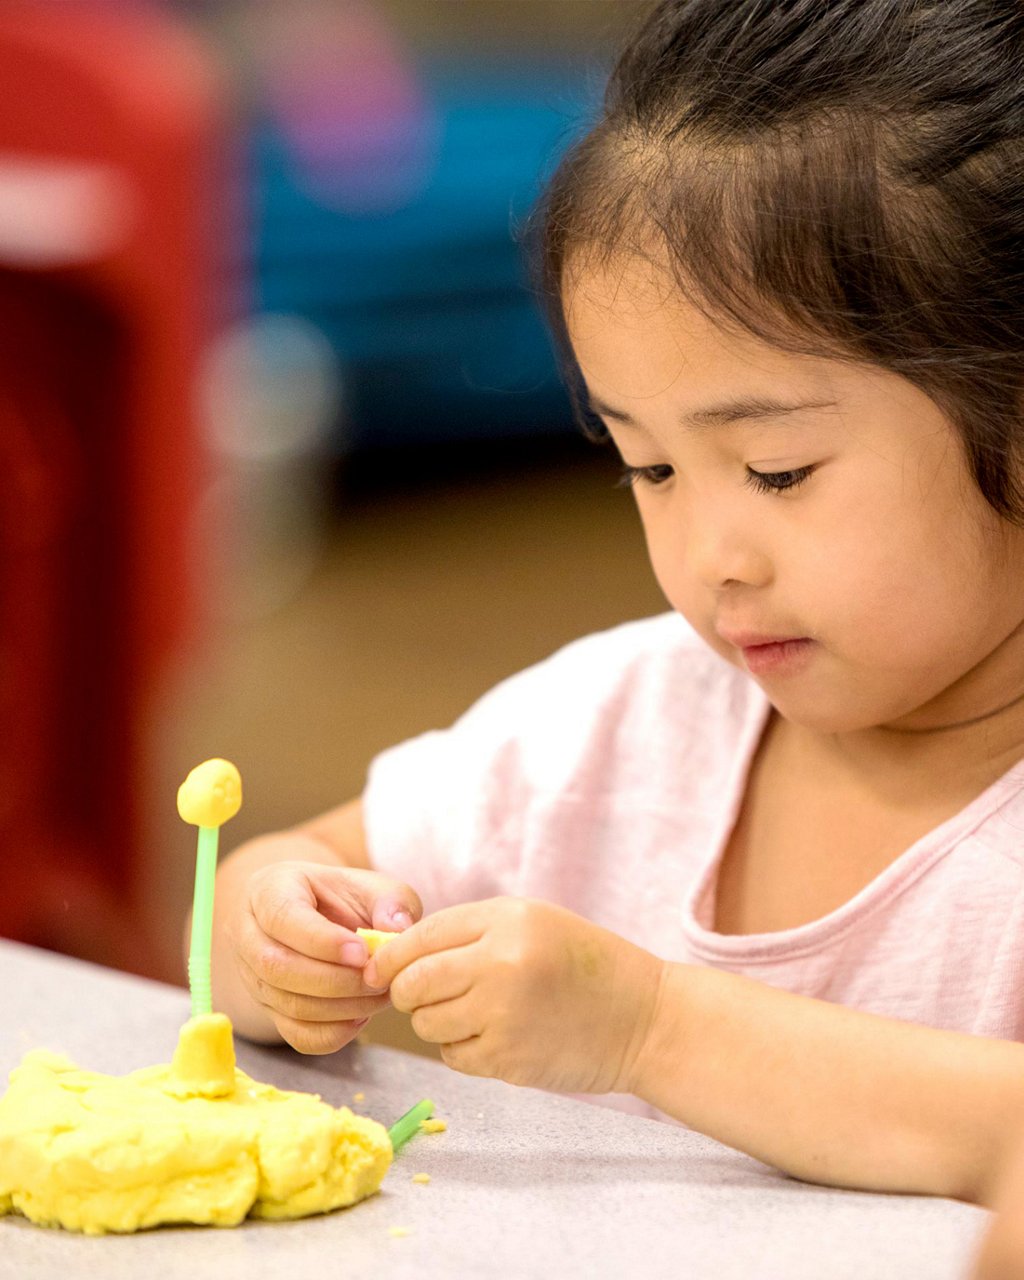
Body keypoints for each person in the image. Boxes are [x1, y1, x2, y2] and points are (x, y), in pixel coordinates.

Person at [210, 0, 1024, 1211]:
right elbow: (289, 870)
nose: (710, 556)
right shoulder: (617, 724)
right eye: (648, 468)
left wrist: (651, 1028)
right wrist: (285, 938)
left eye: (776, 471)